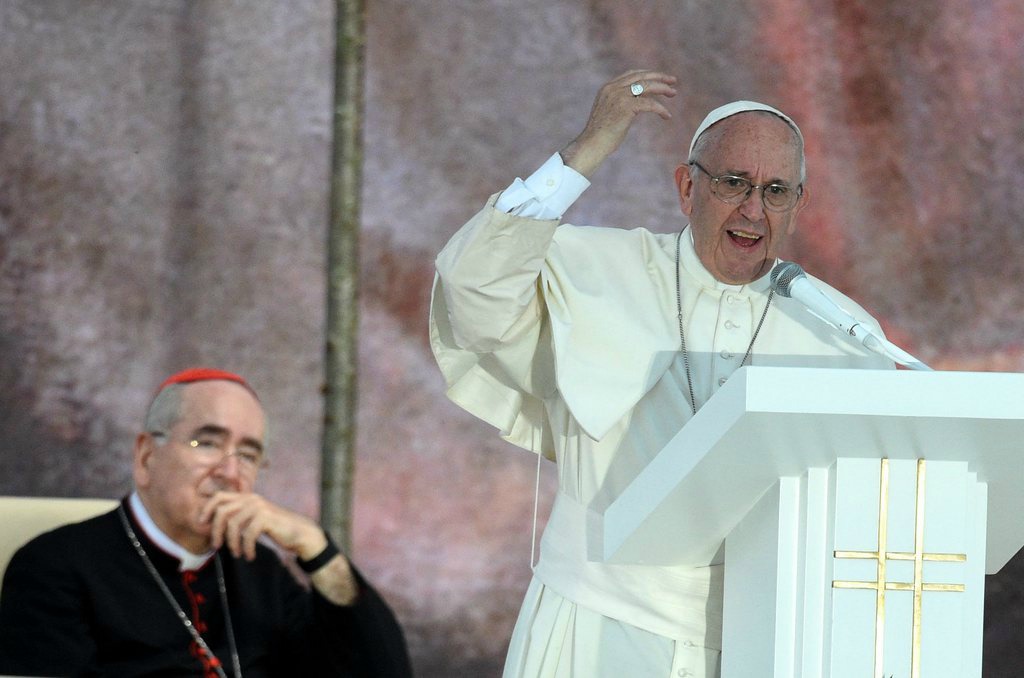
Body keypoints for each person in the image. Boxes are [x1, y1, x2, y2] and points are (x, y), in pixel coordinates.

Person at [429, 70, 894, 677]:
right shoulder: (597, 270)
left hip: (760, 641)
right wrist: (584, 151)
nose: (754, 209)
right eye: (734, 183)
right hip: (594, 620)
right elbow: (472, 292)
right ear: (686, 187)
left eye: (777, 190)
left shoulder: (837, 329)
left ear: (798, 204)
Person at [0, 367, 412, 678]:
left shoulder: (261, 571)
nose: (230, 472)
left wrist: (318, 549)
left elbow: (384, 670)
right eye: (208, 443)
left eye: (248, 454)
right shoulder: (55, 567)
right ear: (146, 457)